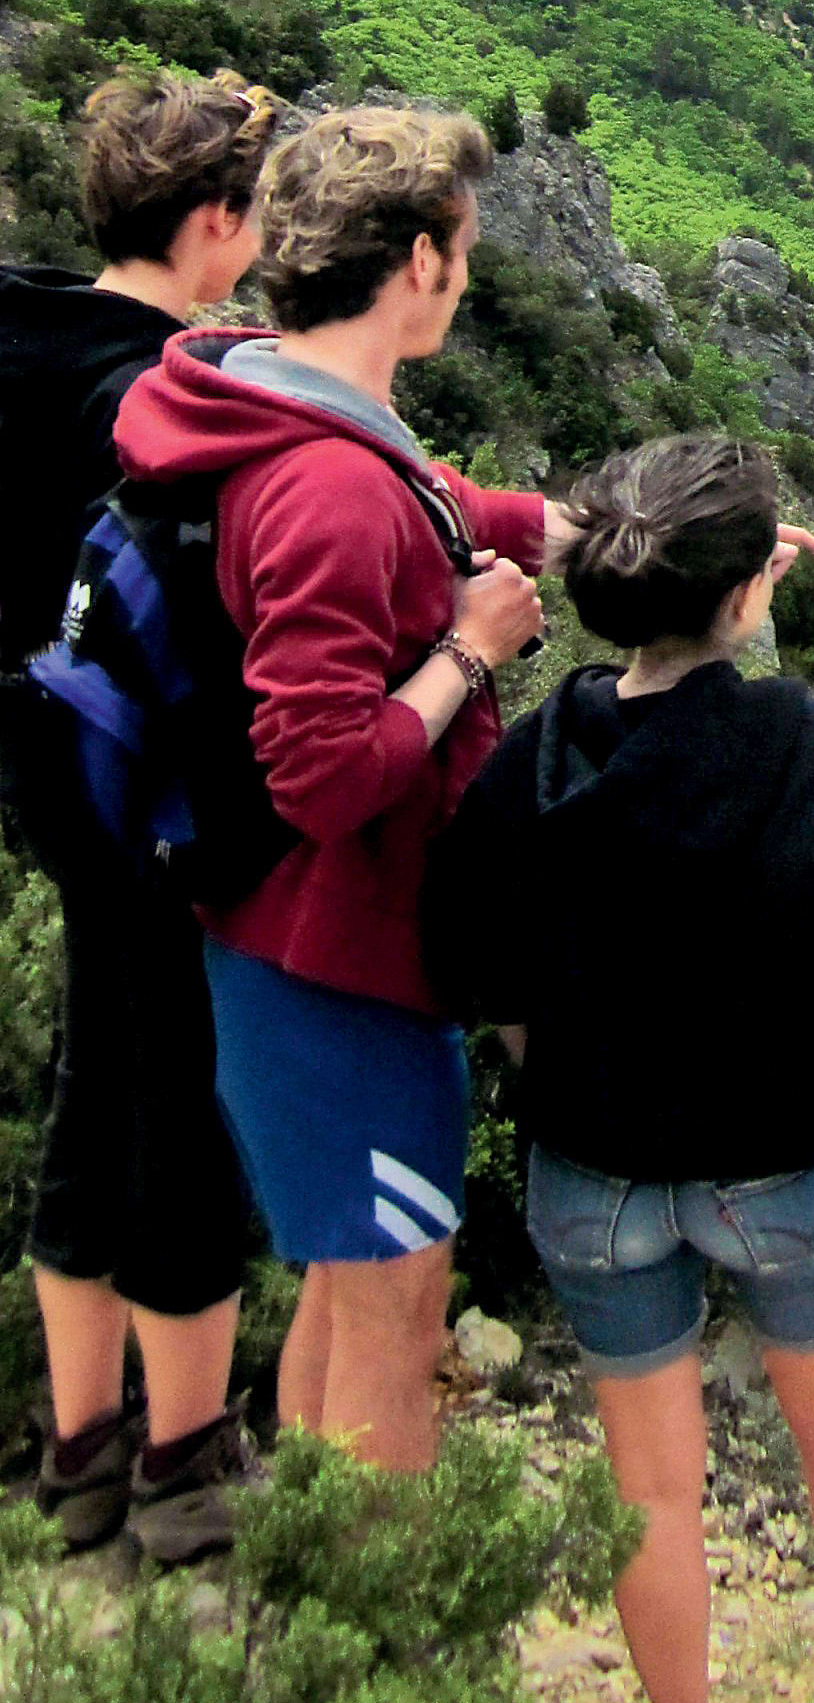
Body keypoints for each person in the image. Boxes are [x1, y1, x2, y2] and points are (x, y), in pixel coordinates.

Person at [423, 435, 814, 1703]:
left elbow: (468, 960)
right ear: (745, 596)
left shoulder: (535, 761)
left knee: (650, 1481)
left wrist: (554, 1063)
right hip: (786, 1155)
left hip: (595, 1168)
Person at [112, 104, 562, 1475]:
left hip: (293, 948)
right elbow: (318, 775)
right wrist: (464, 653)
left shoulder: (273, 392)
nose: (469, 276)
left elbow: (435, 499)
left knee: (345, 1286)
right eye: (465, 249)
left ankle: (314, 1581)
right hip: (335, 966)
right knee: (393, 1318)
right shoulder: (325, 487)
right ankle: (383, 1652)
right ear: (420, 260)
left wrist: (601, 530)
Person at [0, 69, 276, 1559]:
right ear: (216, 225)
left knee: (96, 1068)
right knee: (185, 1097)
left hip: (42, 764)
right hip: (156, 791)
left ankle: (80, 1447)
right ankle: (183, 1469)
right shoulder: (162, 398)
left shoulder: (28, 343)